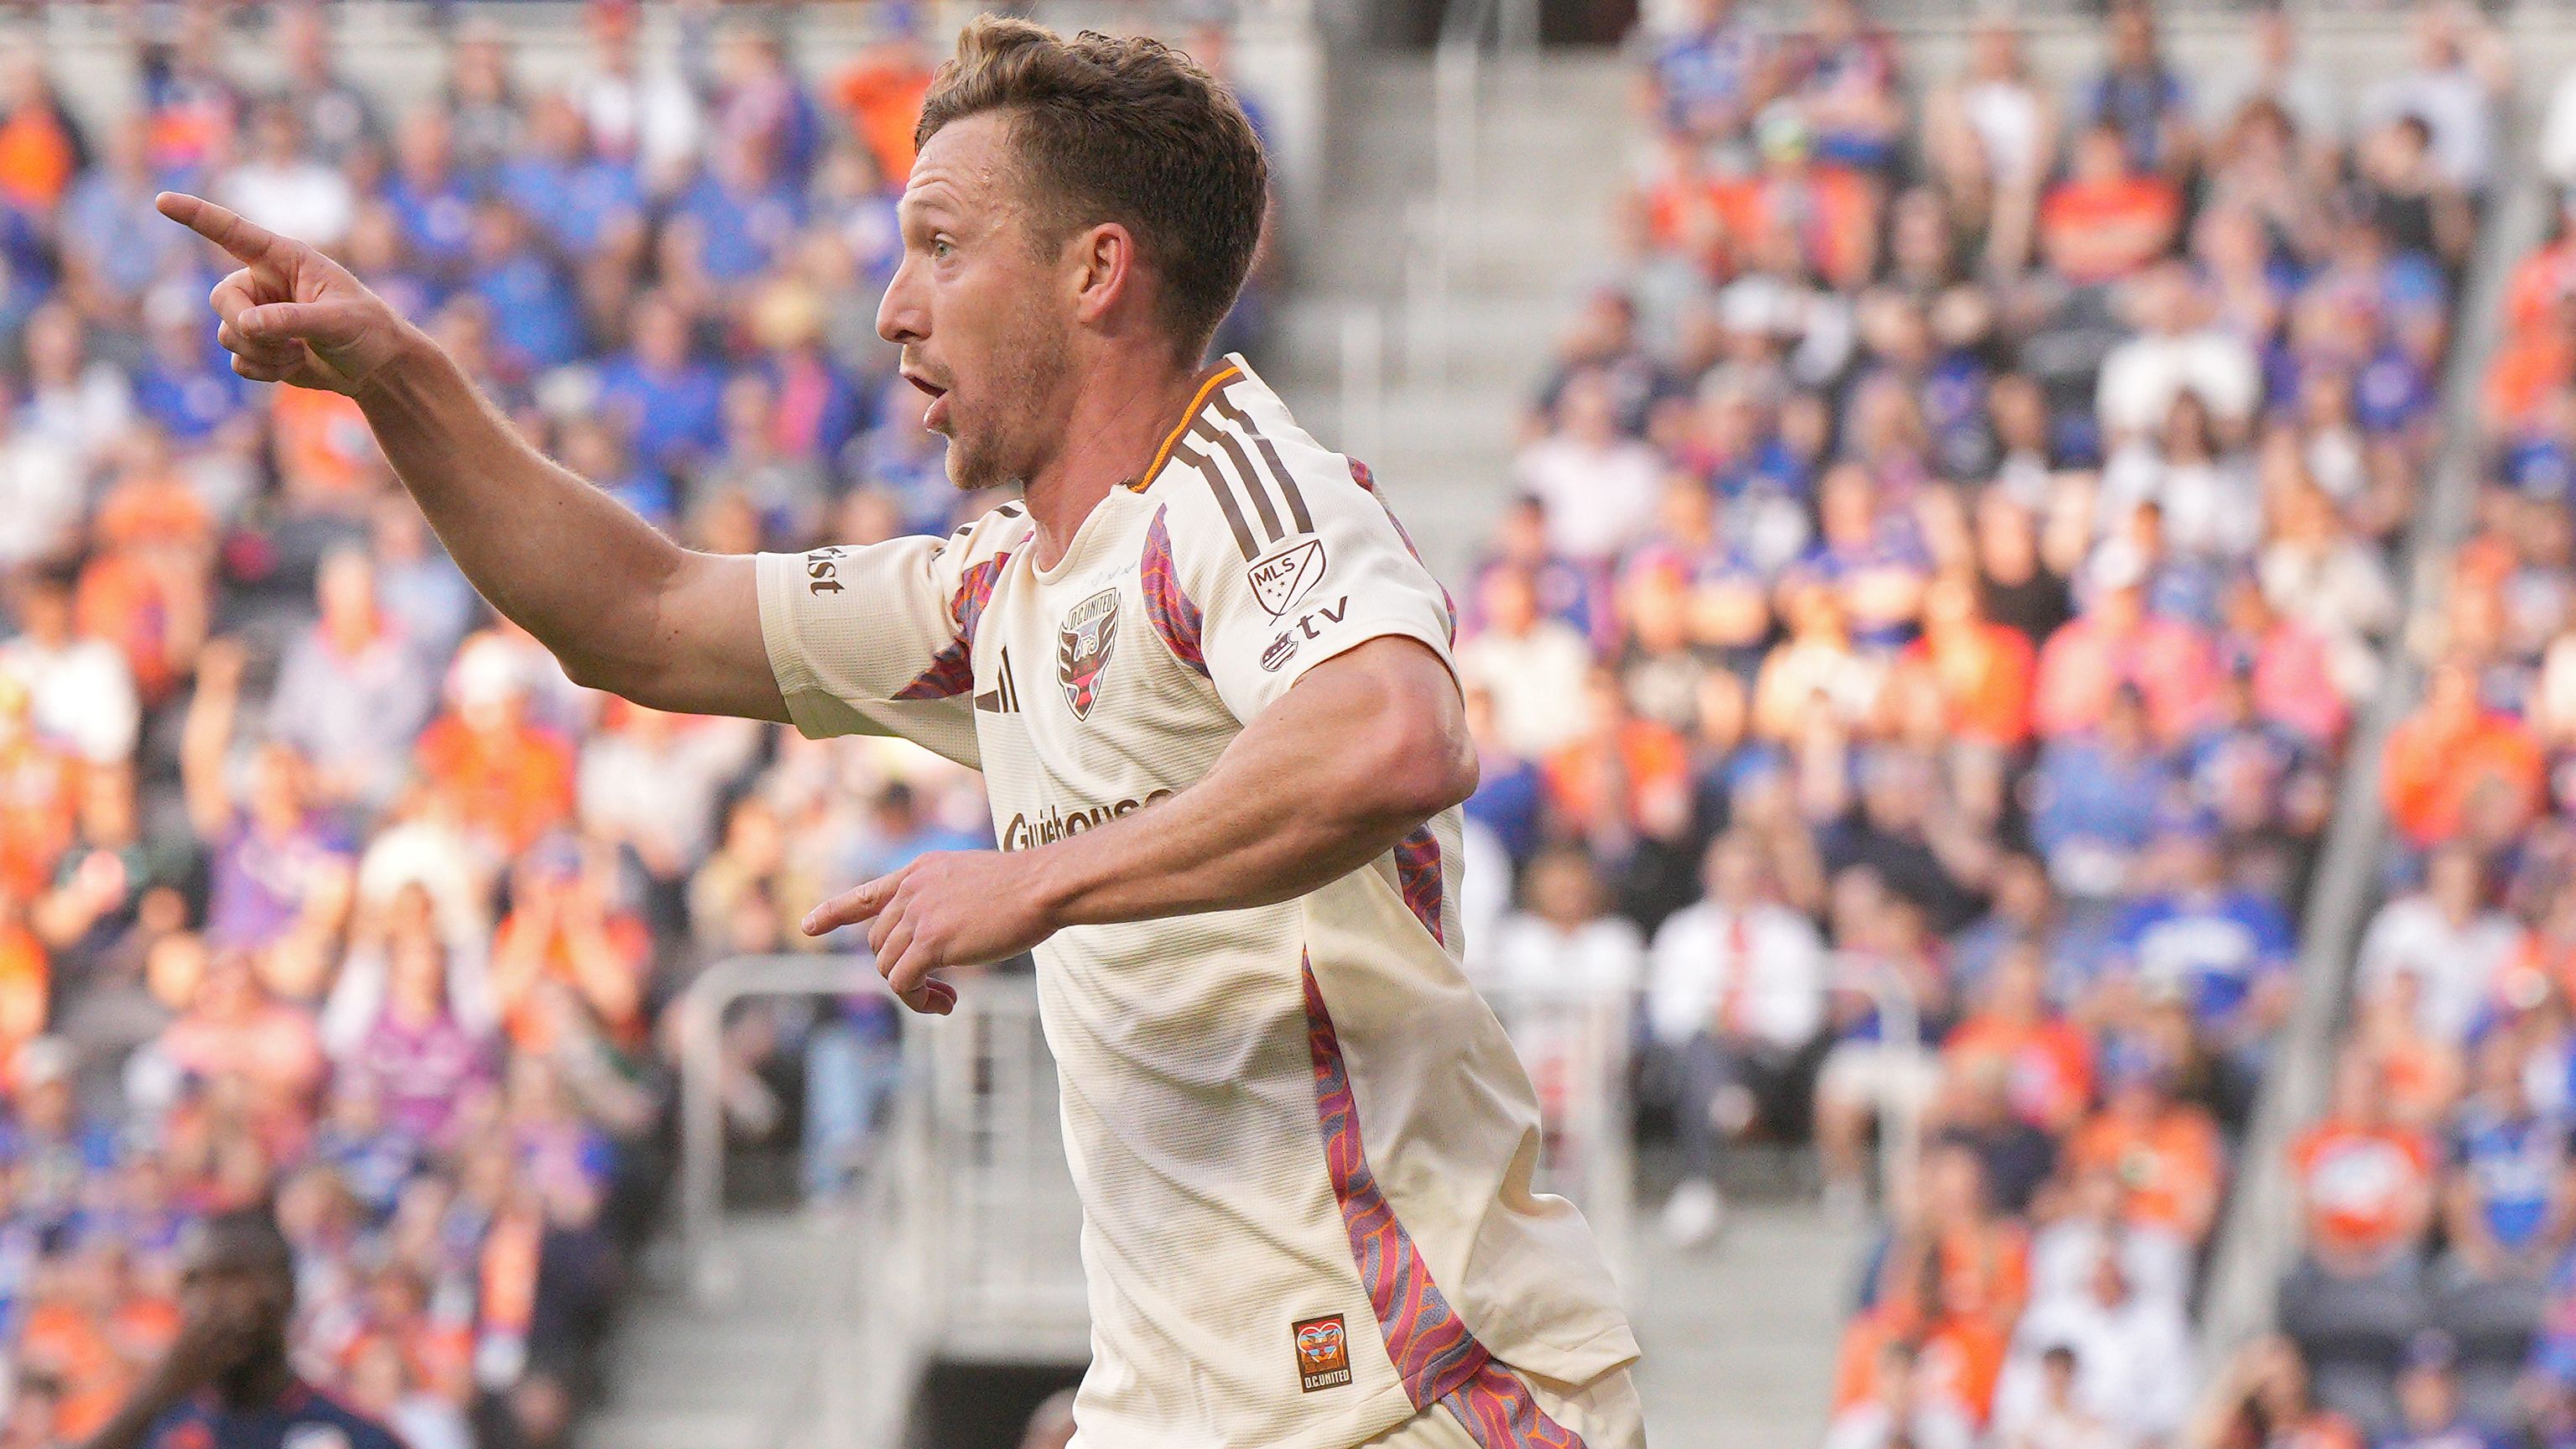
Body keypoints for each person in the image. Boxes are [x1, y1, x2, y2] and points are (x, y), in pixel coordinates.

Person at [155, 18, 1642, 1449]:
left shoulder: (1242, 491)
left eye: (940, 245)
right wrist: (400, 378)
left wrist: (1035, 880)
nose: (892, 306)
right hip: (1178, 1407)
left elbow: (1393, 735)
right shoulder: (996, 590)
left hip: (1420, 1386)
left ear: (1095, 272)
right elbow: (645, 614)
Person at [79, 1207, 404, 1449]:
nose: (207, 1302)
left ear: (286, 1292)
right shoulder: (154, 1424)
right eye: (193, 1282)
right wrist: (154, 1397)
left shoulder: (348, 1432)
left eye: (231, 1279)